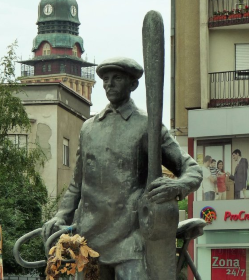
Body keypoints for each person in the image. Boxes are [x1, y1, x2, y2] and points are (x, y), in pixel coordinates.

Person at [42, 57, 202, 280]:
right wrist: (61, 216)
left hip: (130, 238)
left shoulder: (148, 126)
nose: (109, 84)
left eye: (117, 78)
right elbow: (77, 185)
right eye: (105, 79)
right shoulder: (89, 128)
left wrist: (176, 186)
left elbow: (191, 169)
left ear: (133, 85)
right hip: (89, 238)